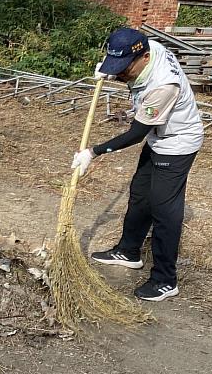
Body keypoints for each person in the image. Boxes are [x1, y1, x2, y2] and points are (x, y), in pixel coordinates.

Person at [72, 27, 204, 302]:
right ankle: (129, 251)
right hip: (159, 137)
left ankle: (165, 280)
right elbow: (128, 69)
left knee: (164, 210)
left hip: (177, 142)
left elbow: (136, 133)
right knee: (140, 194)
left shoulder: (163, 86)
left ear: (144, 57)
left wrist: (93, 152)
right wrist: (112, 70)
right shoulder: (146, 46)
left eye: (123, 68)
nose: (121, 72)